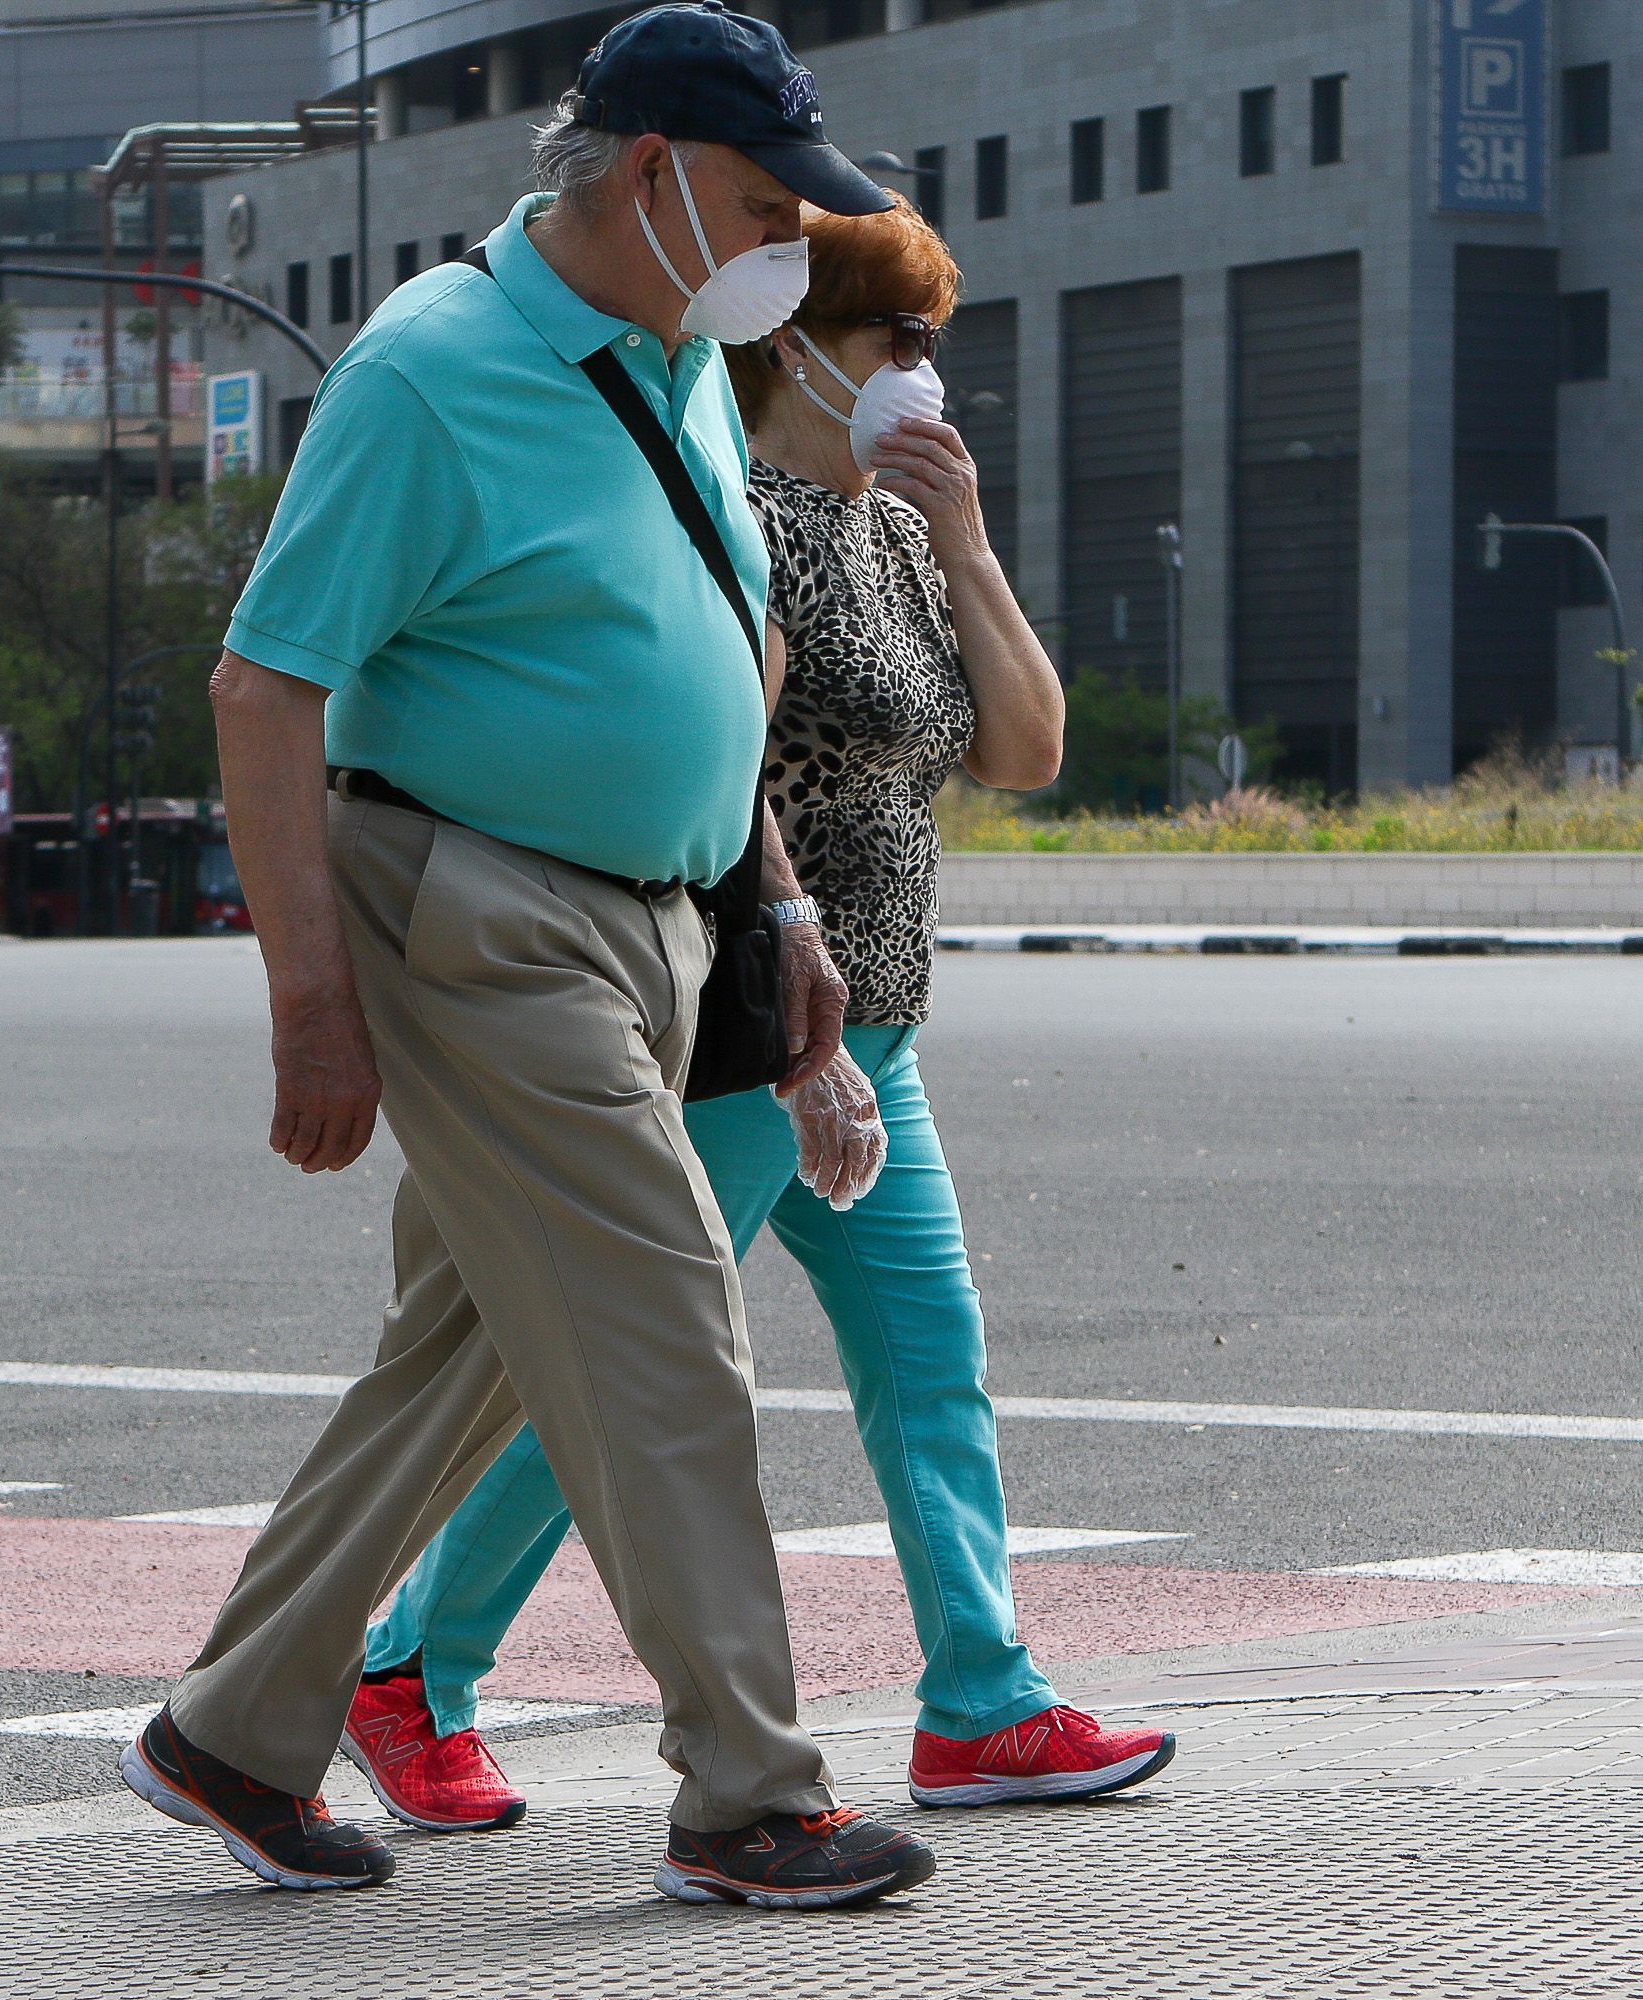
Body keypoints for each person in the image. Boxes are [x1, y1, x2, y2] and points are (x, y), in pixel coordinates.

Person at [121, 2, 938, 1912]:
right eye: (759, 206)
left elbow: (719, 662)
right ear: (648, 174)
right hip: (479, 915)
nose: (786, 253)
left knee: (473, 1344)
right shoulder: (431, 371)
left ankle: (233, 1730)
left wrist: (781, 904)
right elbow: (267, 682)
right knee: (664, 1317)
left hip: (656, 922)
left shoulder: (674, 359)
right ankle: (749, 1793)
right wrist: (312, 1007)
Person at [339, 194, 1179, 1834]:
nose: (926, 373)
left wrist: (970, 542)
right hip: (747, 1035)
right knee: (612, 1378)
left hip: (885, 1039)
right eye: (898, 339)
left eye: (937, 343)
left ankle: (982, 1704)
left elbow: (1022, 751)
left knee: (932, 1363)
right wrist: (792, 1006)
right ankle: (408, 1673)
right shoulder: (754, 520)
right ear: (795, 342)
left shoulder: (887, 525)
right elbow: (721, 773)